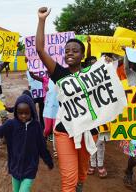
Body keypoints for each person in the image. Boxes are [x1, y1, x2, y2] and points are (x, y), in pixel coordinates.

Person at [36, 7, 98, 192]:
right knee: (68, 179)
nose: (70, 53)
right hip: (64, 132)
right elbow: (40, 49)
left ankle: (80, 185)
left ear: (82, 55)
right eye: (67, 50)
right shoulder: (59, 74)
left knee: (82, 173)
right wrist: (41, 20)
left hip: (89, 130)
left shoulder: (93, 74)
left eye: (75, 51)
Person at [0, 94, 53, 192]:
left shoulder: (36, 126)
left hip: (30, 167)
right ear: (16, 112)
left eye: (26, 113)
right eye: (20, 113)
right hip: (15, 166)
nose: (23, 116)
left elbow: (41, 145)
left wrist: (48, 160)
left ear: (32, 111)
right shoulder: (10, 124)